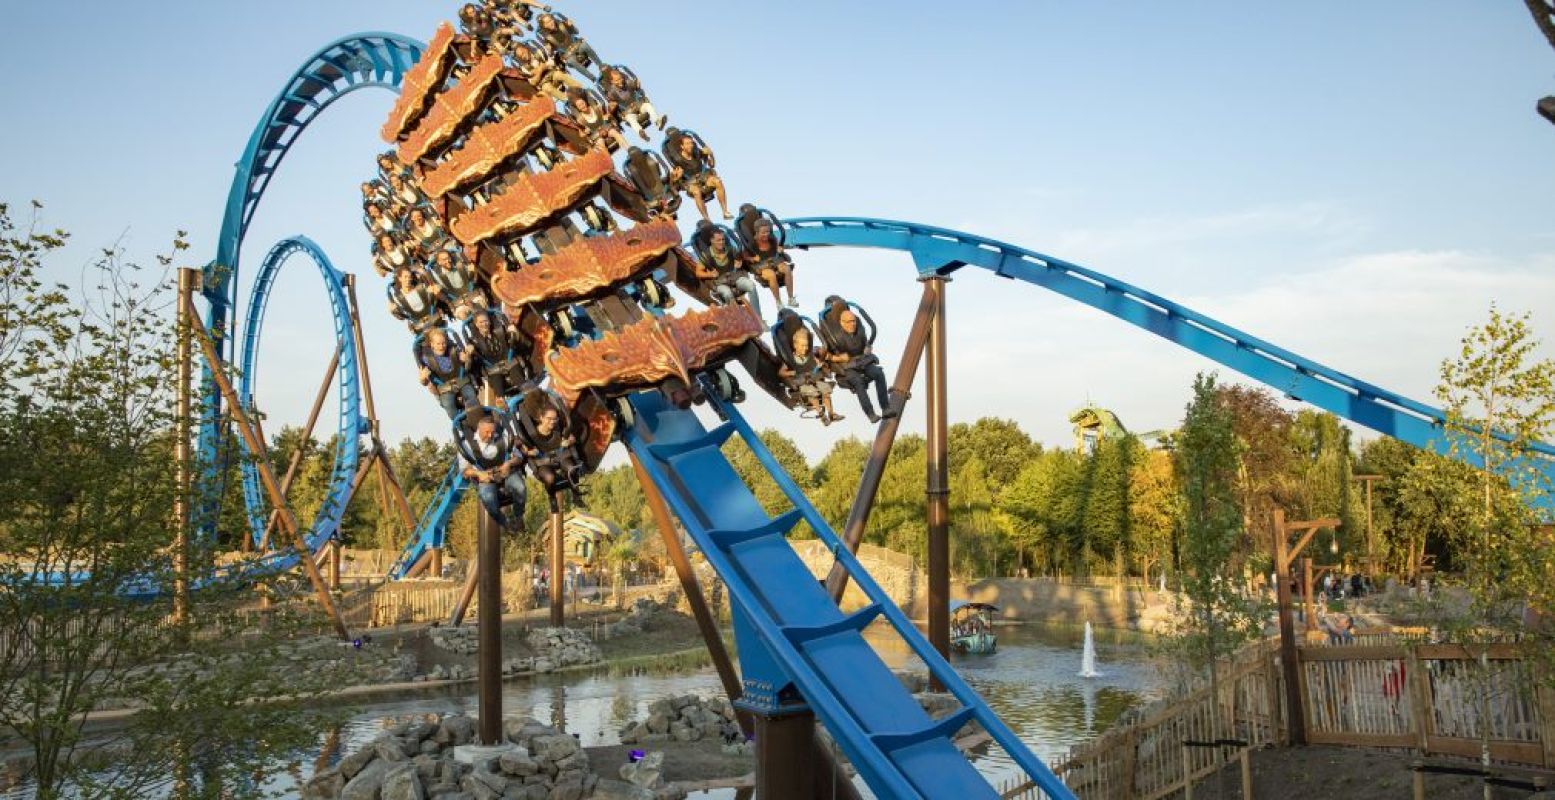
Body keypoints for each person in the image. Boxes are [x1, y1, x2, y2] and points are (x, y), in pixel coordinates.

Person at [820, 296, 894, 423]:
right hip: (845, 365)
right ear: (841, 322)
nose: (852, 324)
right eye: (849, 322)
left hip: (862, 360)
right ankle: (871, 414)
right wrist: (837, 358)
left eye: (853, 321)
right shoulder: (831, 333)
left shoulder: (859, 326)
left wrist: (868, 347)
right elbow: (824, 355)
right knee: (858, 381)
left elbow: (866, 342)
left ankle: (886, 408)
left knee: (878, 373)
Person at [457, 410, 527, 530]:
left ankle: (519, 517)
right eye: (487, 432)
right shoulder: (467, 445)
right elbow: (464, 471)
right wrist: (479, 473)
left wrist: (509, 463)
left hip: (505, 473)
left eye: (492, 432)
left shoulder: (502, 438)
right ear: (479, 430)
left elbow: (518, 457)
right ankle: (505, 522)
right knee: (488, 499)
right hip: (485, 478)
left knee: (520, 487)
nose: (490, 435)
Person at [774, 314, 841, 425]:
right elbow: (780, 373)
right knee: (812, 393)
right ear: (795, 345)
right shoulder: (789, 358)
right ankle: (821, 414)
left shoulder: (809, 354)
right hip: (802, 380)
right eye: (802, 346)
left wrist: (820, 364)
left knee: (826, 392)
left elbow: (816, 362)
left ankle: (831, 414)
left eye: (806, 346)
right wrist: (793, 372)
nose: (805, 349)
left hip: (814, 376)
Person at [514, 389, 584, 494]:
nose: (553, 422)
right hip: (542, 462)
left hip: (561, 456)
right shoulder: (529, 433)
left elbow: (572, 436)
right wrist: (528, 452)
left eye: (555, 419)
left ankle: (576, 494)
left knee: (572, 469)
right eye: (549, 419)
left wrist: (569, 440)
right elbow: (521, 451)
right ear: (541, 418)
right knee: (550, 478)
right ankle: (553, 503)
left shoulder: (559, 425)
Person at [690, 222, 761, 318]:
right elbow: (698, 273)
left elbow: (741, 257)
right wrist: (710, 274)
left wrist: (739, 262)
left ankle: (757, 317)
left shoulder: (731, 249)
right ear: (711, 240)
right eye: (718, 240)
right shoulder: (706, 256)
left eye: (723, 240)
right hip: (720, 282)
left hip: (735, 277)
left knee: (751, 286)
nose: (721, 242)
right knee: (727, 293)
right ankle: (738, 317)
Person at [662, 129, 731, 221]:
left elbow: (712, 165)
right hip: (689, 182)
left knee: (717, 181)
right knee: (696, 192)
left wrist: (711, 155)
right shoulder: (677, 160)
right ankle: (707, 219)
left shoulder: (697, 152)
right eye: (687, 144)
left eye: (691, 143)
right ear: (682, 146)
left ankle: (725, 211)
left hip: (703, 176)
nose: (690, 145)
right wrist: (676, 177)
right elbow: (673, 181)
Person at [465, 307, 533, 397]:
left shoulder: (501, 330)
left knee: (521, 382)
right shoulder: (473, 341)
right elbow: (471, 366)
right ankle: (502, 403)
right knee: (498, 390)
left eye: (486, 321)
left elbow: (526, 343)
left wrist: (516, 333)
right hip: (492, 368)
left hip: (509, 361)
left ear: (489, 321)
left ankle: (529, 396)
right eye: (481, 322)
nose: (484, 324)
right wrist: (468, 355)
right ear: (476, 325)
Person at [416, 327, 477, 419]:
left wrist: (466, 357)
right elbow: (424, 381)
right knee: (448, 404)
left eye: (444, 343)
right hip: (444, 386)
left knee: (471, 396)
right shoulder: (427, 359)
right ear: (432, 344)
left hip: (461, 381)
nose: (441, 346)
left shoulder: (453, 350)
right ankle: (458, 423)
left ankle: (476, 417)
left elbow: (465, 359)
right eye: (438, 344)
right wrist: (423, 378)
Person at [600, 65, 666, 141]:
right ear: (612, 82)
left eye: (621, 78)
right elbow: (611, 108)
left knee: (648, 106)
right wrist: (611, 107)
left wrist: (637, 84)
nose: (620, 81)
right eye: (617, 80)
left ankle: (658, 122)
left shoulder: (628, 82)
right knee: (631, 119)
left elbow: (637, 86)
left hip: (639, 105)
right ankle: (641, 133)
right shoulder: (611, 93)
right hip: (628, 111)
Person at [744, 218, 797, 308]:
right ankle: (778, 302)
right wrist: (752, 258)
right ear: (757, 232)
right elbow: (744, 257)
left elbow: (777, 250)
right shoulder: (752, 244)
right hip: (761, 265)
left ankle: (791, 298)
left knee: (787, 269)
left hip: (774, 260)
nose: (766, 234)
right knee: (771, 275)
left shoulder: (772, 239)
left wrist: (780, 250)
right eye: (763, 233)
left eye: (768, 232)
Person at [425, 247, 486, 321]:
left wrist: (473, 271)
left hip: (472, 295)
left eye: (449, 258)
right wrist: (438, 293)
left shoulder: (459, 265)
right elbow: (440, 294)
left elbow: (473, 279)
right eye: (444, 259)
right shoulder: (437, 276)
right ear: (439, 262)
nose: (448, 261)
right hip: (458, 303)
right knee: (462, 315)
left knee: (481, 309)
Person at [535, 12, 599, 79]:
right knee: (571, 61)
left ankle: (600, 65)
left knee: (585, 45)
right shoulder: (547, 38)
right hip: (568, 54)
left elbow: (576, 32)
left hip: (577, 45)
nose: (550, 23)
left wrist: (571, 26)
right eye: (547, 22)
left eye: (551, 20)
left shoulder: (562, 24)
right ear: (544, 26)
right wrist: (549, 49)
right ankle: (592, 78)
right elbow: (551, 53)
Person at [623, 147, 680, 218]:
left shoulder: (630, 167)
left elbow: (635, 187)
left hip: (652, 196)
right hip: (657, 193)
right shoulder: (648, 160)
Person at [387, 266, 446, 333]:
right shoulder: (397, 299)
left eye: (409, 277)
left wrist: (435, 290)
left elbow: (436, 295)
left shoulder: (421, 288)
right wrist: (393, 312)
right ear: (400, 278)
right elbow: (401, 318)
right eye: (405, 277)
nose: (408, 279)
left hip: (433, 317)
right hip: (419, 325)